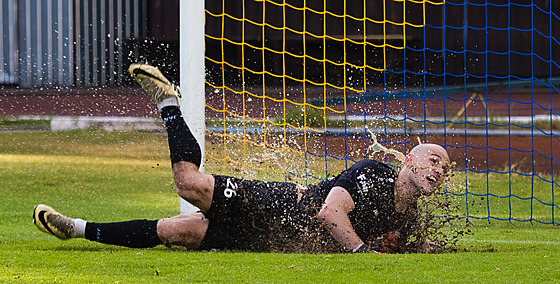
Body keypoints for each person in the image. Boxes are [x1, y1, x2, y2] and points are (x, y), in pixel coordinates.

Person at [33, 64, 451, 254]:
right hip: (276, 206)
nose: (438, 169)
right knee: (190, 185)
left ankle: (77, 230)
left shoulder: (409, 211)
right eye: (433, 158)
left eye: (444, 168)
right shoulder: (375, 174)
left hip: (268, 241)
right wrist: (364, 254)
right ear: (409, 158)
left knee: (176, 231)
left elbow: (409, 245)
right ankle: (168, 103)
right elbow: (329, 214)